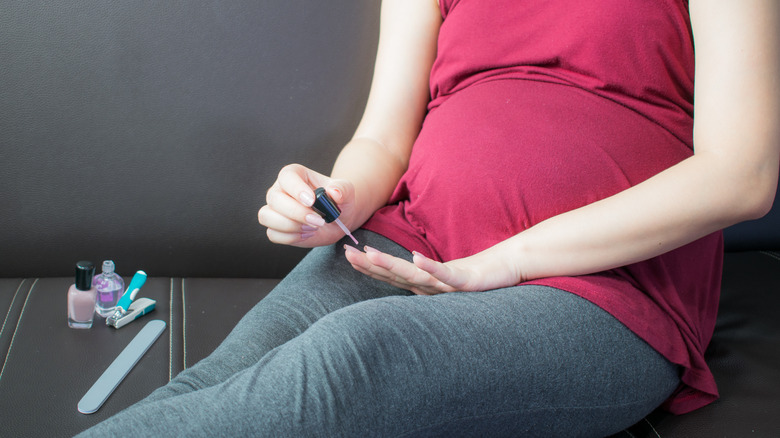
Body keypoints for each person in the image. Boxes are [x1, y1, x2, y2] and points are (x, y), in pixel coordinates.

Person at [78, 0, 779, 436]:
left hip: (603, 289)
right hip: (407, 241)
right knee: (222, 376)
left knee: (350, 361)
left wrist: (504, 262)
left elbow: (741, 175)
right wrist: (336, 197)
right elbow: (384, 138)